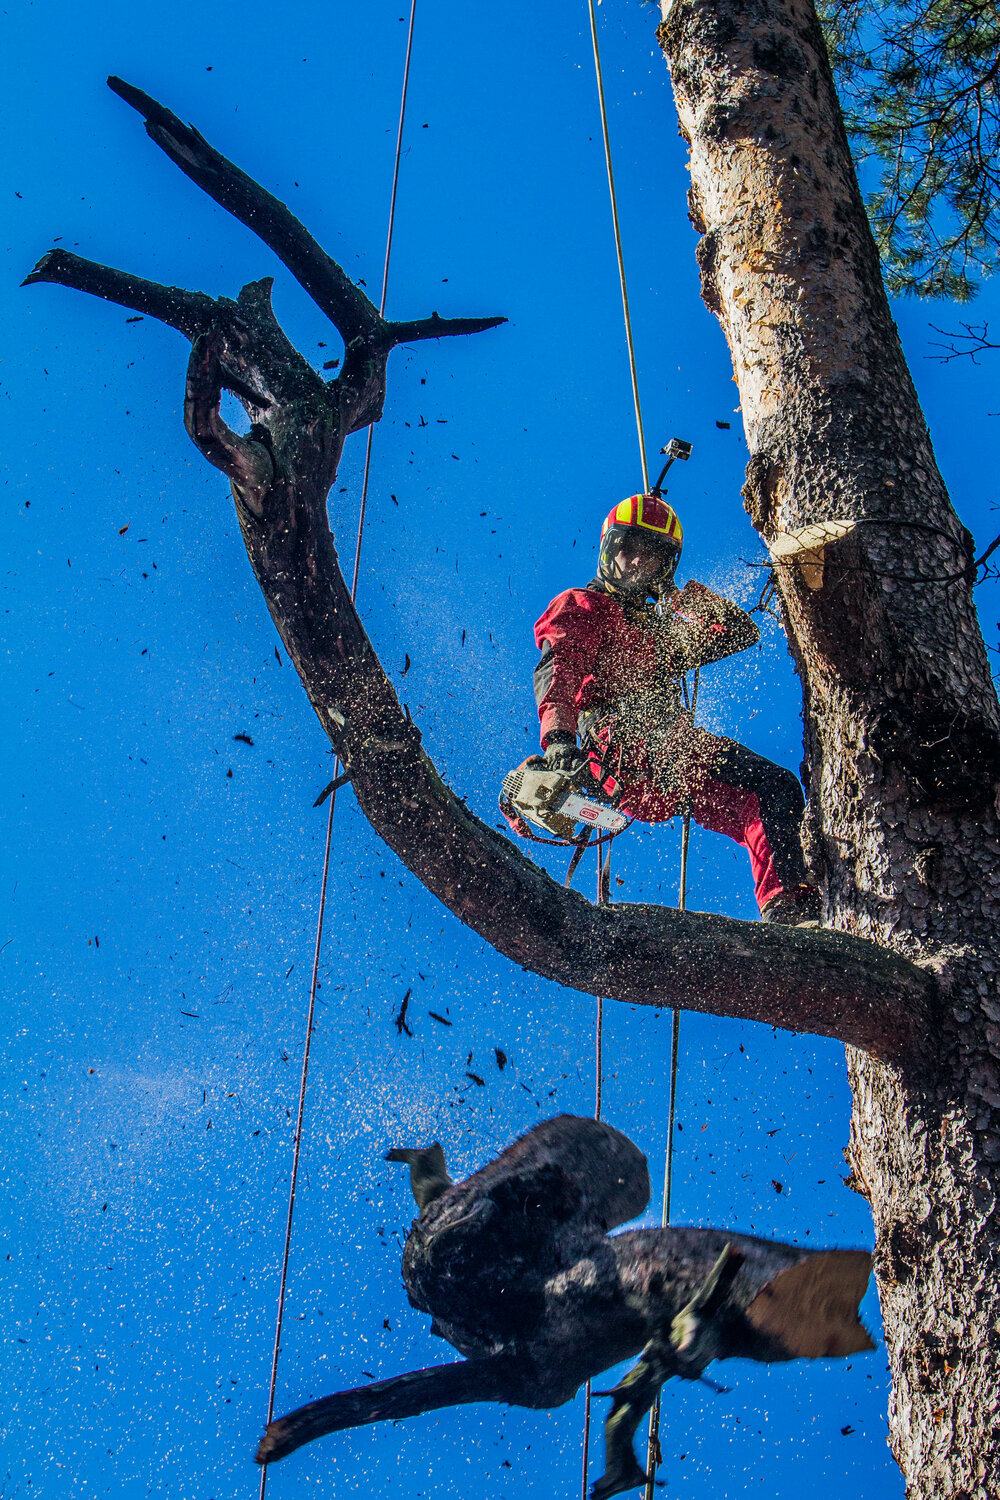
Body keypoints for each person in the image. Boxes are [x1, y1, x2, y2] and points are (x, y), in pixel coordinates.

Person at [533, 493, 820, 925]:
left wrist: (677, 596)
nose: (635, 564)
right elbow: (560, 669)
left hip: (665, 765)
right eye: (628, 550)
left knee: (765, 797)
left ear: (663, 568)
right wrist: (558, 740)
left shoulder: (656, 634)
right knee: (771, 785)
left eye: (650, 558)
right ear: (609, 549)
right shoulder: (586, 606)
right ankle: (789, 903)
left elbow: (736, 632)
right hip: (627, 744)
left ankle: (791, 911)